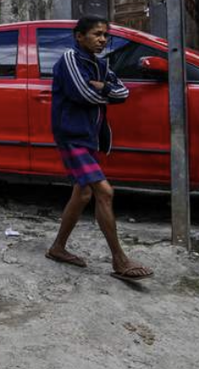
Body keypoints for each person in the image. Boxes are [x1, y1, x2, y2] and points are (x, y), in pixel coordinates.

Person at [46, 16, 153, 281]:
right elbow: (85, 94)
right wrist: (104, 91)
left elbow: (123, 93)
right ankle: (120, 260)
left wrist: (104, 86)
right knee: (104, 192)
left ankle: (57, 248)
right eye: (96, 34)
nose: (103, 39)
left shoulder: (100, 65)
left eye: (105, 35)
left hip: (89, 137)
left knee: (82, 195)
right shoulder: (70, 59)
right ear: (79, 36)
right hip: (71, 136)